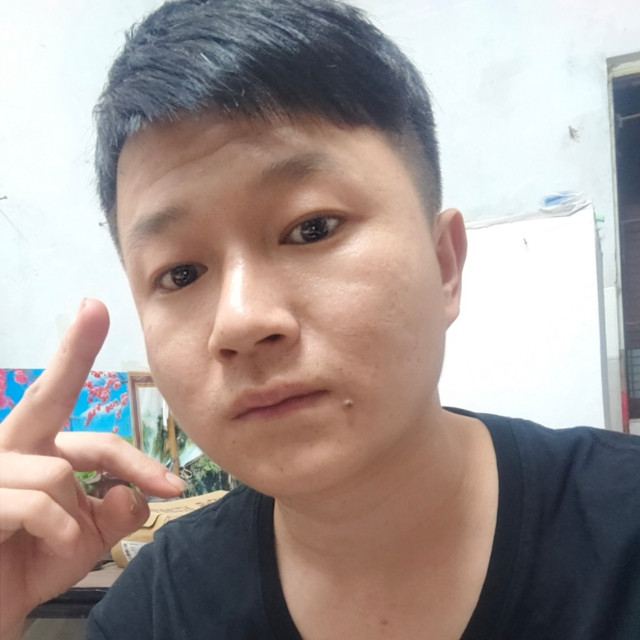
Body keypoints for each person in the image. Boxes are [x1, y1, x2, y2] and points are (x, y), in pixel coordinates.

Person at [1, 0, 639, 638]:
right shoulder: (155, 612)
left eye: (312, 228)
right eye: (182, 273)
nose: (241, 321)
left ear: (444, 265)